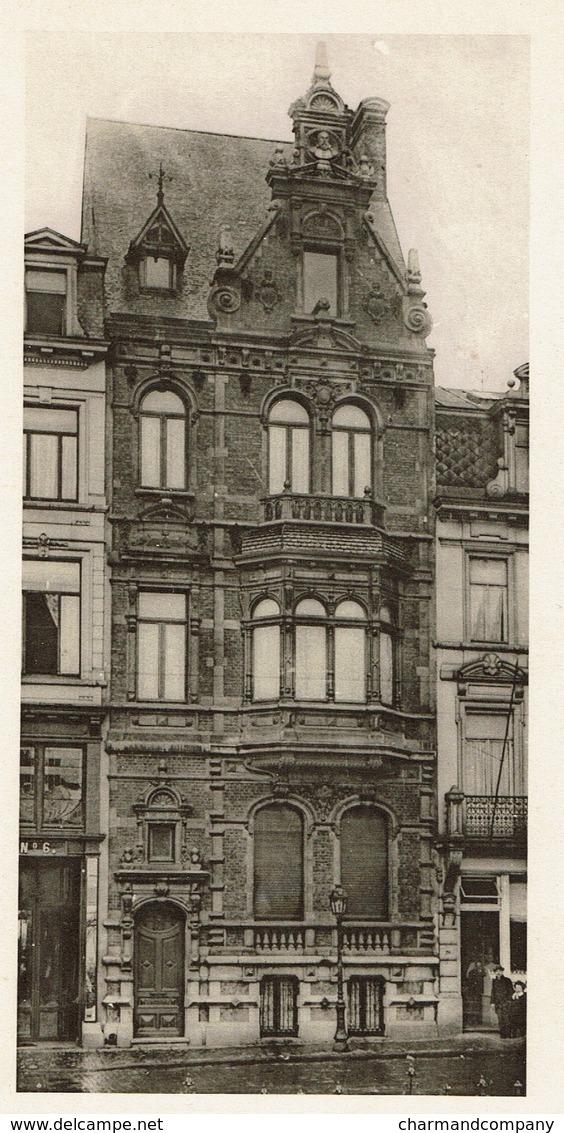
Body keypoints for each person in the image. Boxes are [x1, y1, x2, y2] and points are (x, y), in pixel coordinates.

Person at [490, 965, 514, 1037]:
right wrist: (492, 1002)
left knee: (507, 1019)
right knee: (500, 1019)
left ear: (502, 972)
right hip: (498, 1004)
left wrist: (508, 1001)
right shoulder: (494, 981)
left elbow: (511, 992)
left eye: (500, 971)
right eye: (497, 971)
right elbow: (493, 992)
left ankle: (508, 1034)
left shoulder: (507, 980)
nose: (498, 973)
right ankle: (502, 1035)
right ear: (495, 973)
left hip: (506, 1003)